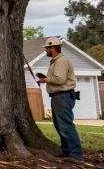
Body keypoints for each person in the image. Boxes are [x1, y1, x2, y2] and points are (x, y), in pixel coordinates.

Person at [37, 36, 84, 164]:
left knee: (66, 126)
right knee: (60, 126)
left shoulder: (61, 61)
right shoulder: (55, 61)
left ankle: (77, 155)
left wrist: (44, 79)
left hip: (63, 96)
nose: (45, 50)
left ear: (52, 48)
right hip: (59, 97)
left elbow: (59, 79)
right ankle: (67, 151)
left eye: (47, 48)